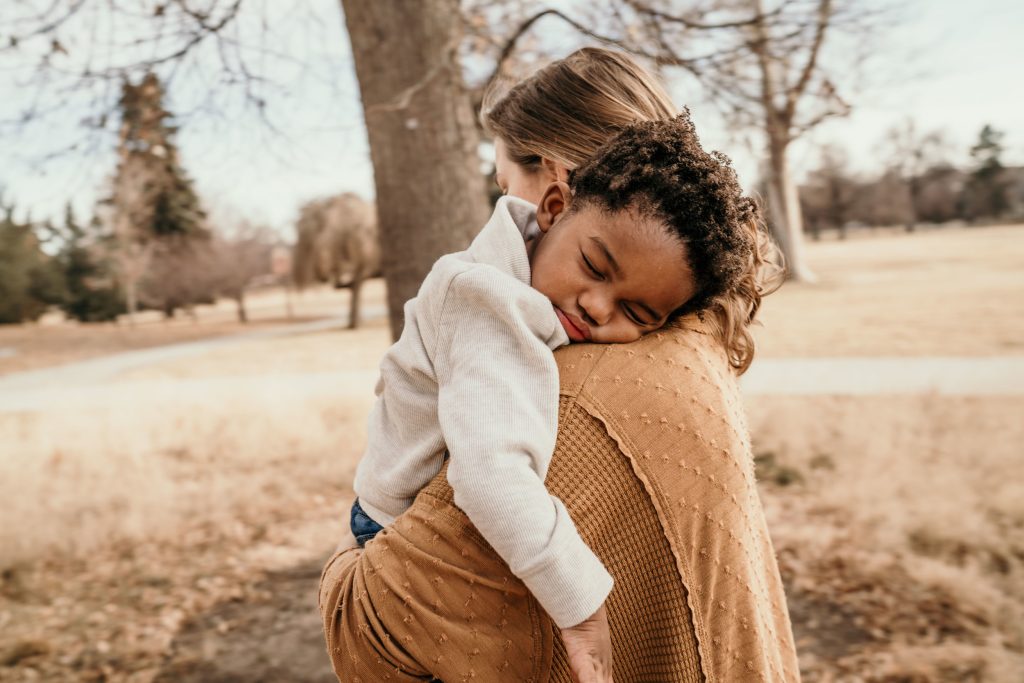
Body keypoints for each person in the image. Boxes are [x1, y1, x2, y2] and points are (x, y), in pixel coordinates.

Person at [320, 48, 798, 683]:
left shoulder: (584, 382)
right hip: (386, 517)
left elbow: (387, 620)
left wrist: (580, 606)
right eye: (595, 270)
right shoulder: (664, 336)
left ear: (553, 184)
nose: (600, 309)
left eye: (504, 182)